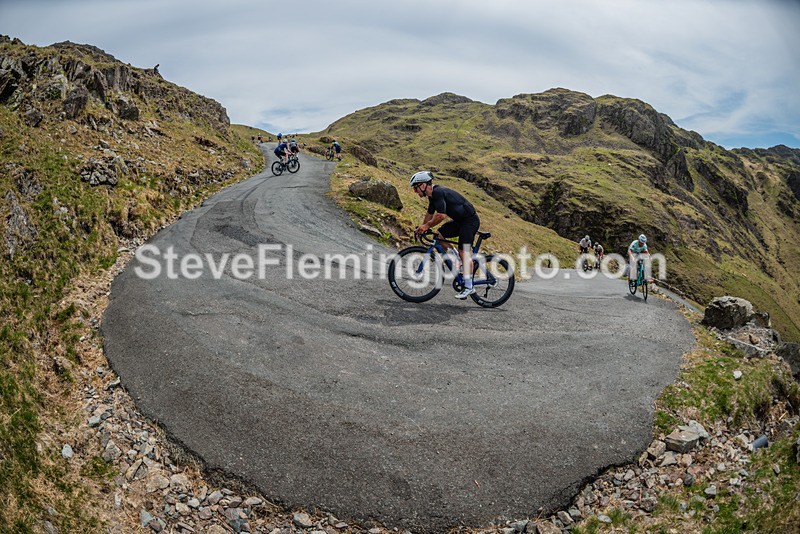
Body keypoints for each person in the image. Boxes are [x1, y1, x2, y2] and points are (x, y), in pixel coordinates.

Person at [410, 171, 480, 300]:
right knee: (439, 235)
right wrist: (422, 228)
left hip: (470, 221)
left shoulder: (438, 192)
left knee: (464, 252)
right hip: (460, 221)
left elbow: (441, 215)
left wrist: (426, 226)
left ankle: (469, 287)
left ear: (424, 185)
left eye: (415, 187)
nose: (415, 191)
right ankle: (457, 259)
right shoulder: (432, 197)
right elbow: (430, 214)